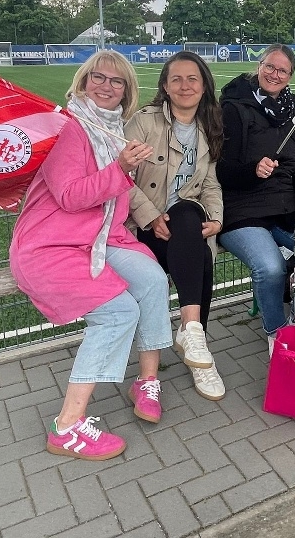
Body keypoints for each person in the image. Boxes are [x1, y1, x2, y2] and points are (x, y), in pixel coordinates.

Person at [10, 50, 172, 461]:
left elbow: (111, 211)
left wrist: (132, 243)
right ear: (83, 82)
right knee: (119, 313)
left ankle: (146, 381)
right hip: (50, 246)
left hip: (96, 241)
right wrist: (120, 168)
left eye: (117, 81)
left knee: (152, 279)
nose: (106, 86)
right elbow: (69, 196)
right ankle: (67, 425)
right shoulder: (70, 128)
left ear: (126, 93)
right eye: (98, 77)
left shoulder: (111, 130)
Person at [125, 51, 225, 401]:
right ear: (165, 87)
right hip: (144, 226)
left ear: (204, 86)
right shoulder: (144, 123)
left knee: (187, 219)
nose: (185, 85)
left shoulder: (209, 125)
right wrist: (150, 215)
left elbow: (210, 182)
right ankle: (197, 343)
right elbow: (121, 177)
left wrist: (217, 218)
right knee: (197, 250)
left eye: (192, 78)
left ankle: (193, 336)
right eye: (177, 79)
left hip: (184, 221)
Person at [216, 44, 295, 352]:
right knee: (271, 267)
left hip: (285, 207)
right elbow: (221, 169)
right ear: (259, 66)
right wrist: (253, 170)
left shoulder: (292, 113)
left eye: (282, 70)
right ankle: (278, 334)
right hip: (242, 210)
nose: (275, 74)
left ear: (290, 76)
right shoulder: (234, 108)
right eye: (269, 67)